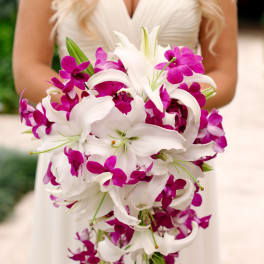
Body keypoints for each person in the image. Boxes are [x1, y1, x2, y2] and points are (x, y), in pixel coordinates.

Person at [13, 0, 238, 263]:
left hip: (172, 154)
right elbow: (27, 67)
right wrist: (96, 109)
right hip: (81, 160)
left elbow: (223, 75)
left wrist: (166, 109)